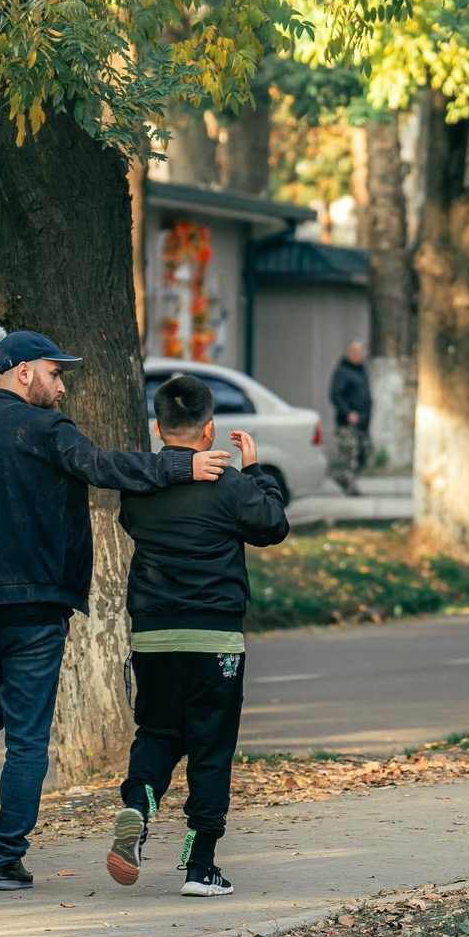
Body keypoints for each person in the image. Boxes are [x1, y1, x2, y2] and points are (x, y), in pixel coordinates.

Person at [0, 332, 226, 891]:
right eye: (54, 373)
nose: (61, 384)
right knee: (28, 737)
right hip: (36, 605)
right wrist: (181, 468)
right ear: (23, 372)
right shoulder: (49, 431)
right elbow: (103, 467)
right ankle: (6, 858)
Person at [105, 372, 290, 897]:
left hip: (154, 637)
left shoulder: (140, 488)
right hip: (215, 640)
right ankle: (200, 864)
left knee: (159, 732)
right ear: (208, 431)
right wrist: (254, 472)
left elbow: (135, 520)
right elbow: (272, 525)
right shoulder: (231, 485)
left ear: (159, 428)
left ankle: (137, 806)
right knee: (210, 746)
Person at [327, 341, 372, 496]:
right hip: (347, 423)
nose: (360, 356)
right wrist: (348, 412)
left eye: (360, 353)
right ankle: (350, 487)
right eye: (356, 353)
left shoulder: (361, 370)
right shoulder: (342, 371)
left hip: (363, 422)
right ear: (349, 354)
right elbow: (335, 395)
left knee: (365, 452)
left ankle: (343, 477)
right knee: (351, 454)